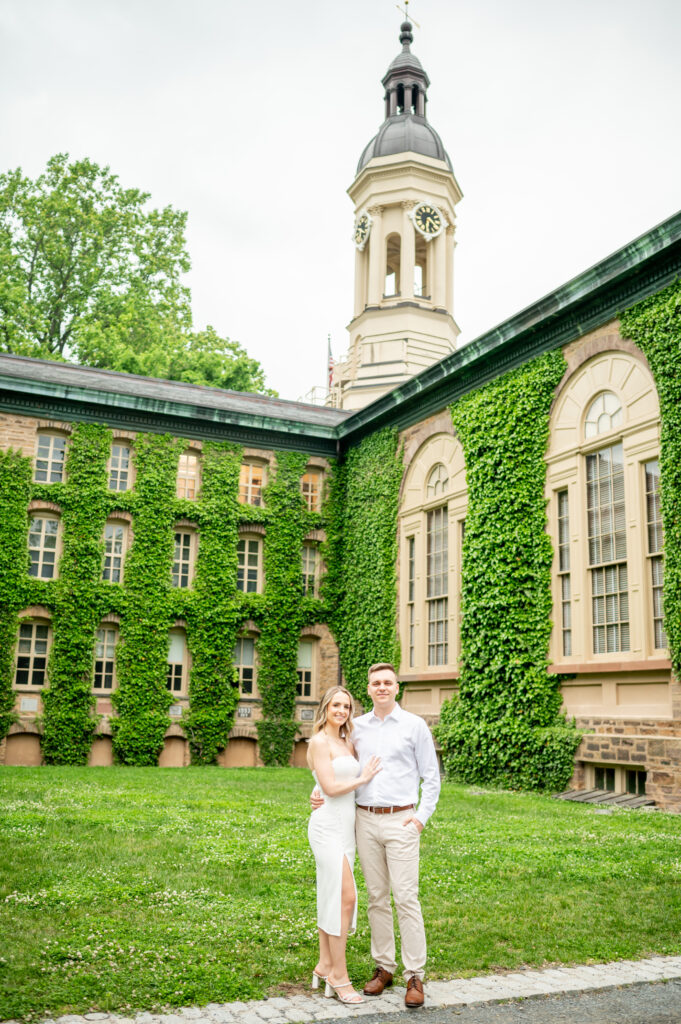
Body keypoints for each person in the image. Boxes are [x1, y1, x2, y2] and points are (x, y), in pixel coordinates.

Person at [311, 663, 441, 1009]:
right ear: (368, 690)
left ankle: (415, 974)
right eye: (375, 683)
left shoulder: (415, 726)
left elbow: (431, 777)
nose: (381, 687)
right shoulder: (357, 729)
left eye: (387, 682)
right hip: (364, 821)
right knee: (376, 897)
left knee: (406, 897)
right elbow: (334, 765)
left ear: (397, 687)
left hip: (402, 820)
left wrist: (420, 820)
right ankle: (384, 967)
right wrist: (316, 793)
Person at [306, 685, 382, 1005]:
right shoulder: (319, 741)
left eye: (347, 706)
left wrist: (316, 790)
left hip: (346, 830)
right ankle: (339, 975)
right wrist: (362, 778)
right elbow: (330, 786)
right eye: (336, 705)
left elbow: (325, 785)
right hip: (326, 829)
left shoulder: (346, 741)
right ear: (325, 707)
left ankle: (324, 965)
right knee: (345, 897)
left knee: (332, 896)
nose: (341, 711)